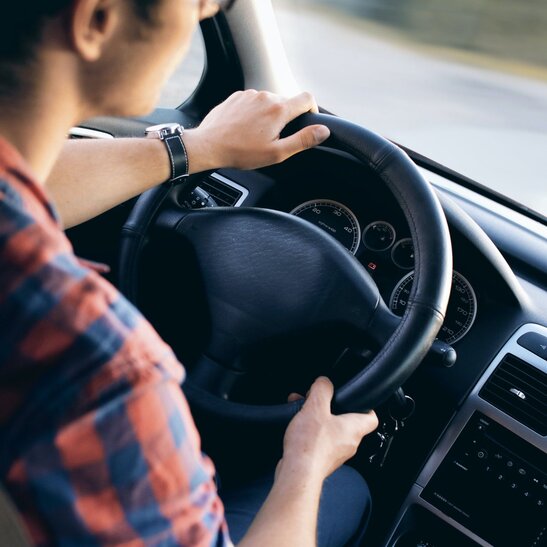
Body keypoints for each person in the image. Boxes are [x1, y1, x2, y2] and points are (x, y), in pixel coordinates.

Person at [0, 0, 379, 545]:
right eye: (200, 0)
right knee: (345, 489)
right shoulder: (98, 372)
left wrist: (197, 148)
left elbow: (27, 187)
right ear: (96, 19)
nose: (205, 12)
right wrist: (305, 462)